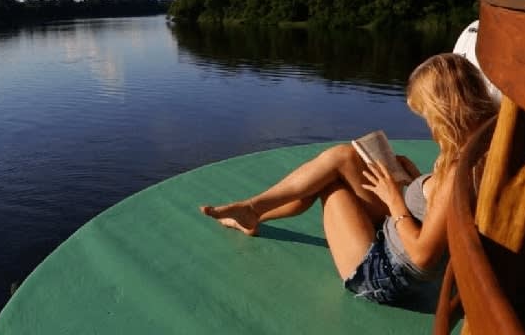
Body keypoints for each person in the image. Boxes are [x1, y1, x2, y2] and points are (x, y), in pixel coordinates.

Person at [200, 53, 498, 304]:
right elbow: (444, 211)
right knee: (343, 157)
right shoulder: (484, 144)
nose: (429, 127)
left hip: (384, 274)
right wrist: (417, 181)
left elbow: (422, 258)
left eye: (426, 116)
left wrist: (394, 198)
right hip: (397, 234)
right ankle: (253, 212)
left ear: (444, 111)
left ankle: (253, 212)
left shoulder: (460, 168)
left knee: (329, 183)